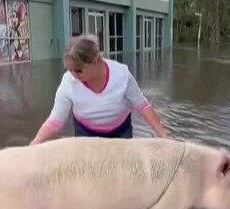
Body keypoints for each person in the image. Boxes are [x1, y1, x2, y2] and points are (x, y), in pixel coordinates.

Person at [30, 34, 170, 144]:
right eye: (70, 70)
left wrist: (162, 133)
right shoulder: (68, 82)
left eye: (78, 70)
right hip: (86, 134)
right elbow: (55, 121)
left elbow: (142, 105)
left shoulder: (121, 74)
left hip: (120, 133)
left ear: (96, 60)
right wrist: (35, 143)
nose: (74, 75)